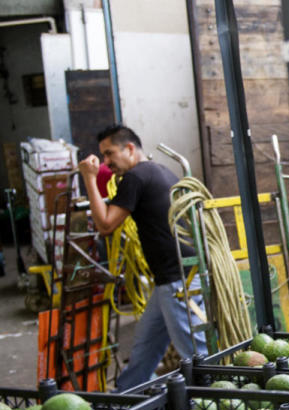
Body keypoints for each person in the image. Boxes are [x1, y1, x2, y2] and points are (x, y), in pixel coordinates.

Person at [78, 125, 207, 391]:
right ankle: (125, 399)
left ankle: (212, 401)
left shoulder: (135, 177)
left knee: (195, 355)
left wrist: (89, 179)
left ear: (129, 148)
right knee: (144, 349)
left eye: (109, 154)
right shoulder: (158, 170)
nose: (106, 163)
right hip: (169, 280)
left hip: (177, 280)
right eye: (103, 157)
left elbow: (105, 225)